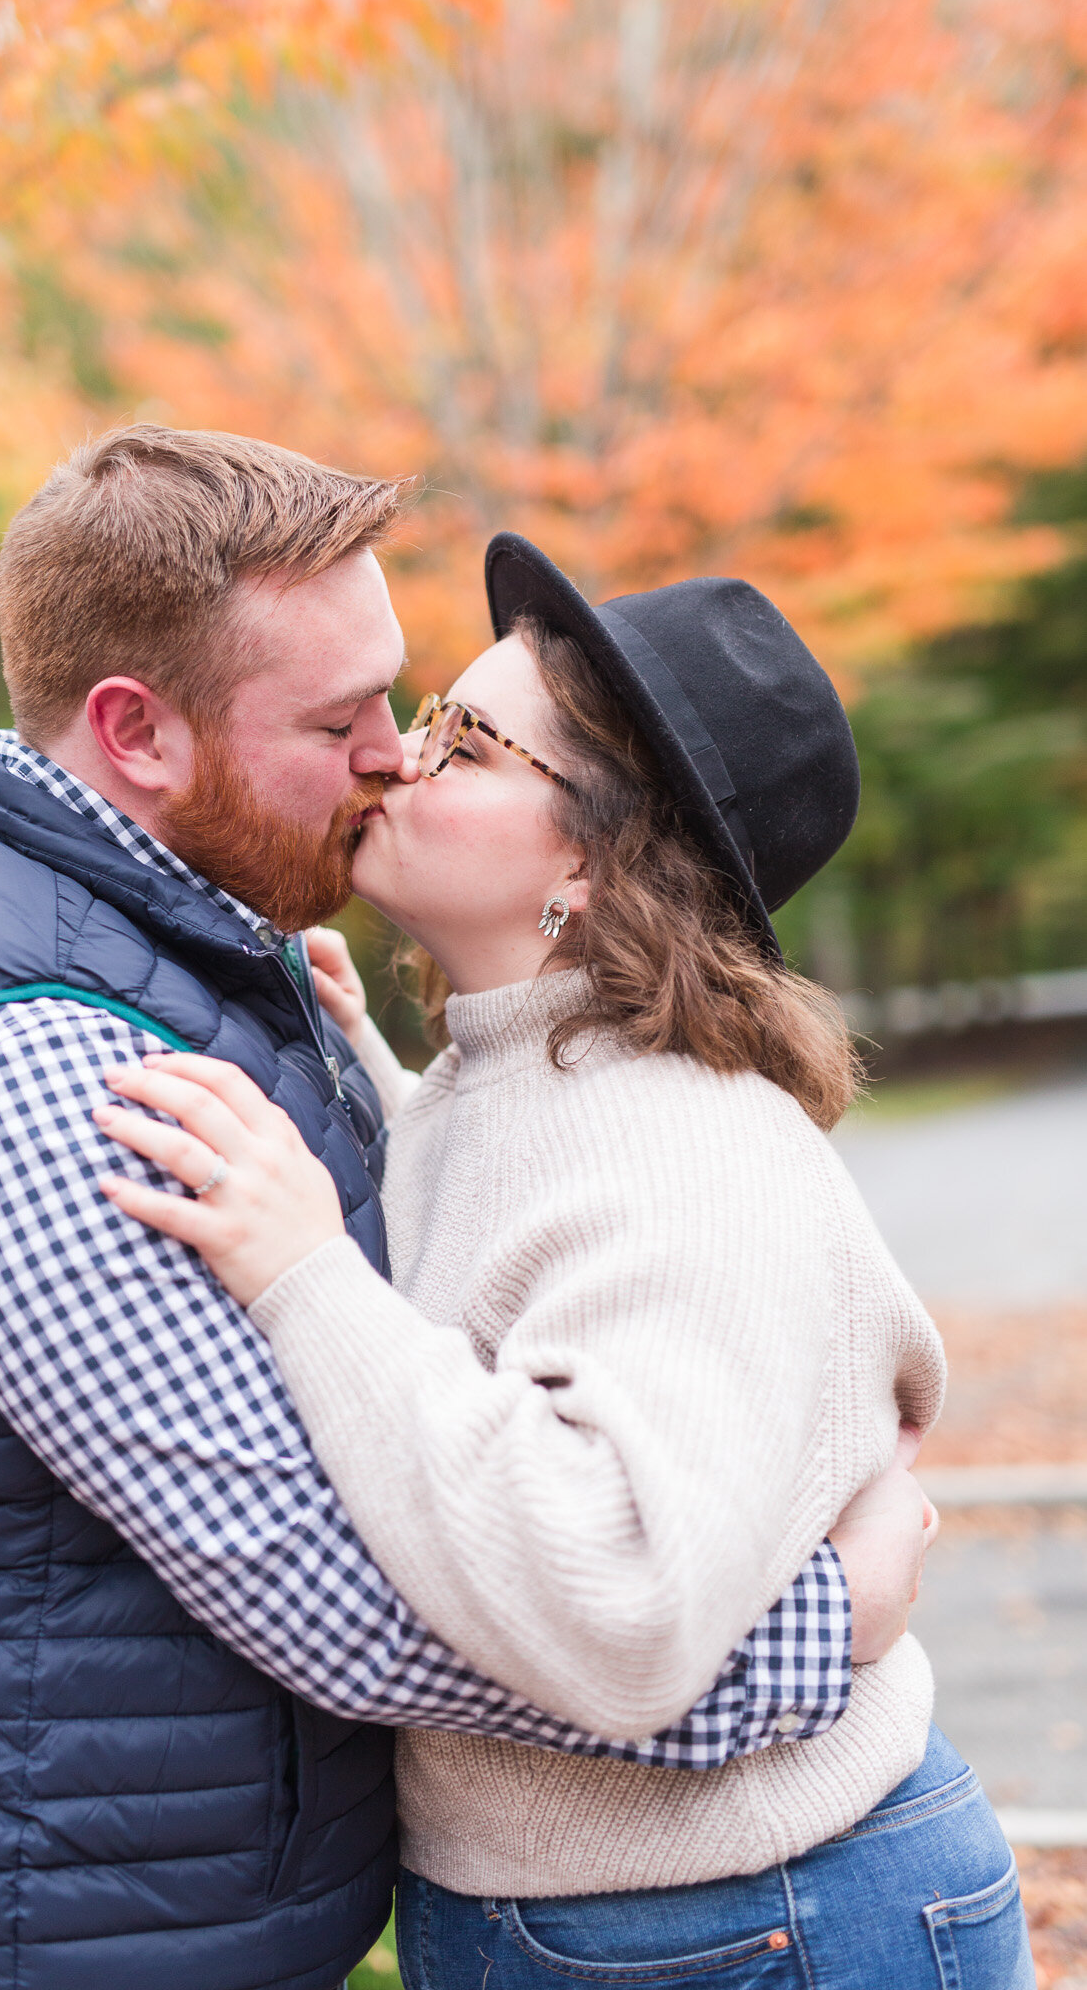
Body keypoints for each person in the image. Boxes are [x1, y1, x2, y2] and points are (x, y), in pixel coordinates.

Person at [0, 432, 927, 1990]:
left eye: (423, 713)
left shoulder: (206, 961)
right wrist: (815, 1636)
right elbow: (340, 1599)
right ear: (135, 734)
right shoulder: (36, 1074)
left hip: (592, 1915)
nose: (390, 754)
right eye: (348, 716)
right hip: (32, 1941)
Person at [96, 529, 1032, 1988]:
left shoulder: (686, 1149)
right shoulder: (513, 1083)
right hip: (618, 1916)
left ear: (592, 863)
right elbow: (520, 1279)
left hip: (755, 1922)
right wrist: (366, 1073)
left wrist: (303, 1274)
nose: (394, 759)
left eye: (463, 741)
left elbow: (615, 1596)